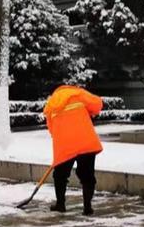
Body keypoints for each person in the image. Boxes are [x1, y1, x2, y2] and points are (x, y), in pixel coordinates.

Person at [43, 85, 104, 215]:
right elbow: (98, 105)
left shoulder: (50, 104)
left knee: (60, 175)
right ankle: (87, 207)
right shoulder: (78, 94)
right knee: (87, 175)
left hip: (65, 144)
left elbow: (51, 128)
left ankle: (60, 204)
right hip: (85, 140)